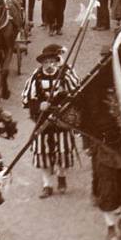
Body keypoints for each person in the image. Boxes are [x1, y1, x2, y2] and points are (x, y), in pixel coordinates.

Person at [22, 49, 79, 198]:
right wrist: (39, 105)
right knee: (43, 152)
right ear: (41, 63)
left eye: (51, 62)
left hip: (61, 119)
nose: (49, 65)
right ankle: (47, 184)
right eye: (45, 62)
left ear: (56, 61)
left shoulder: (65, 75)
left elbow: (76, 94)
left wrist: (64, 100)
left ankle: (61, 176)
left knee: (63, 151)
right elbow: (27, 100)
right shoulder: (35, 78)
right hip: (43, 121)